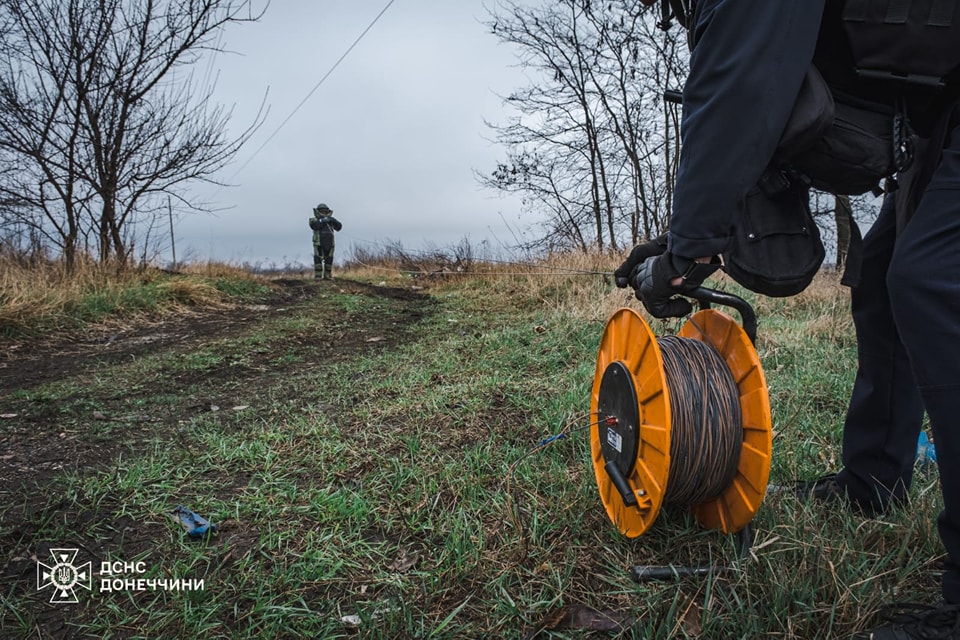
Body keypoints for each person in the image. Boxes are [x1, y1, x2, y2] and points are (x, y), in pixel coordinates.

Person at [614, 1, 960, 637]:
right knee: (886, 277)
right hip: (939, 117)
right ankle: (874, 483)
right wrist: (677, 243)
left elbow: (737, 94)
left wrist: (686, 253)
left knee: (934, 280)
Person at [309, 203, 342, 280]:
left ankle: (328, 276)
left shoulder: (331, 220)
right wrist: (322, 221)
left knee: (329, 260)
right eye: (322, 211)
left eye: (325, 211)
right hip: (318, 243)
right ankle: (318, 276)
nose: (324, 212)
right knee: (318, 259)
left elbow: (339, 227)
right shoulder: (313, 219)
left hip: (330, 242)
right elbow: (314, 226)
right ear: (318, 211)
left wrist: (334, 221)